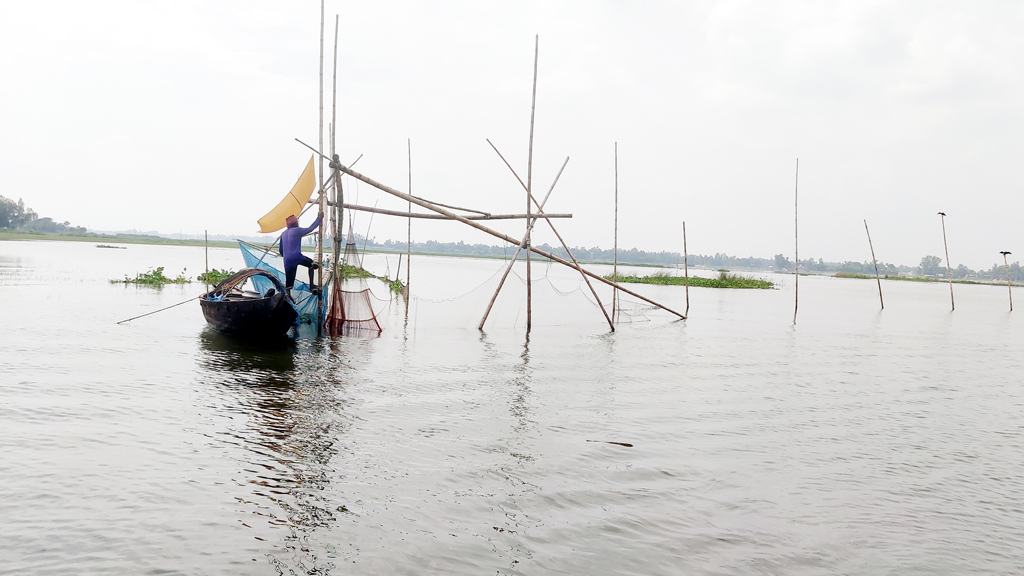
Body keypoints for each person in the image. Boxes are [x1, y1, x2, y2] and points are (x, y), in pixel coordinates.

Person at [281, 212, 323, 295]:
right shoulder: (297, 230)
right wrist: (319, 218)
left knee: (289, 285)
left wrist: (287, 257)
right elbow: (310, 228)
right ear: (295, 223)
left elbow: (280, 250)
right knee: (312, 264)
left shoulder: (283, 234)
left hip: (287, 260)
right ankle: (311, 285)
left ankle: (289, 297)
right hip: (297, 257)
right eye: (297, 222)